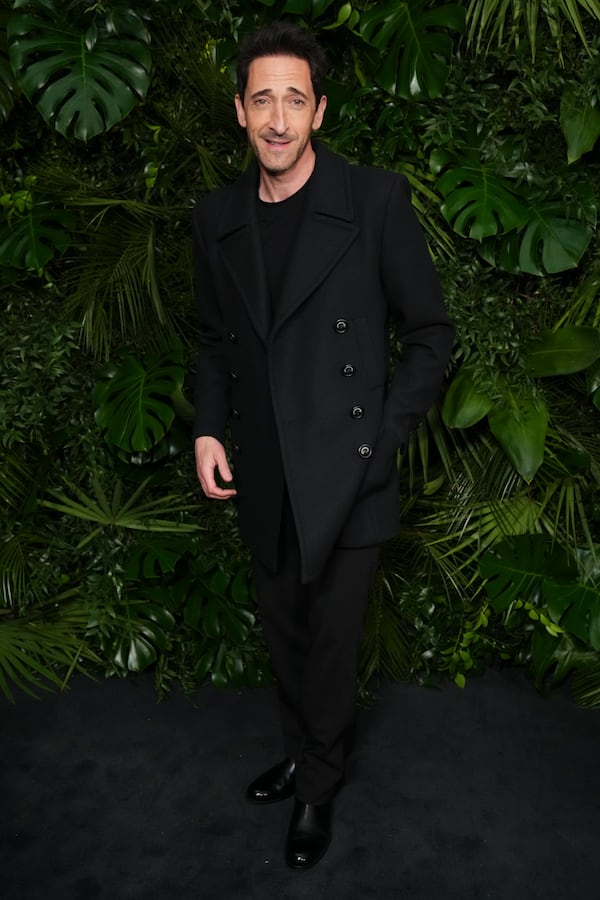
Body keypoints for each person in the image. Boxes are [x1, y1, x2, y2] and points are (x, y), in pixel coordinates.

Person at [193, 20, 454, 869]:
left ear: (320, 110)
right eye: (261, 99)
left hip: (348, 472)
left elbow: (431, 336)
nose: (278, 118)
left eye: (294, 100)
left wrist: (380, 443)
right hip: (265, 466)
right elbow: (210, 340)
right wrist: (205, 427)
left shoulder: (373, 201)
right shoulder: (217, 218)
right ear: (239, 110)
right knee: (286, 636)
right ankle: (307, 753)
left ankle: (317, 789)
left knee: (333, 645)